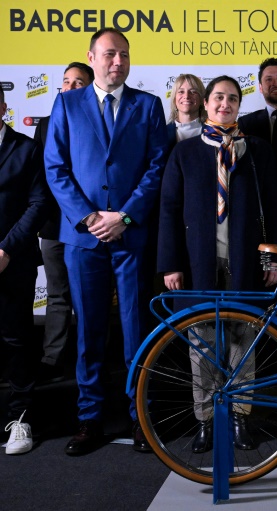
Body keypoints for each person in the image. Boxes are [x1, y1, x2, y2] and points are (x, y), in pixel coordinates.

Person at [45, 28, 167, 455]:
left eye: (125, 55)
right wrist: (90, 217)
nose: (118, 62)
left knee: (137, 331)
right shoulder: (66, 103)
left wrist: (125, 215)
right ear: (91, 57)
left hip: (131, 236)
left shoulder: (148, 106)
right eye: (110, 54)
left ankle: (141, 419)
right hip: (83, 239)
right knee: (90, 333)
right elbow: (55, 167)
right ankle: (89, 420)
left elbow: (156, 167)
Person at [158, 75, 277, 453]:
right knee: (202, 345)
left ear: (238, 105)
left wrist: (274, 259)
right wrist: (170, 265)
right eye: (218, 97)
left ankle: (240, 418)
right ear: (206, 103)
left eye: (232, 98)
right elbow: (168, 210)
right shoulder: (184, 153)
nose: (224, 104)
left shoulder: (257, 151)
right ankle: (206, 420)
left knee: (242, 344)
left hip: (245, 261)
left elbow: (276, 209)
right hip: (199, 265)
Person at [34, 62, 94, 383]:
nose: (70, 87)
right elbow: (42, 178)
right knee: (57, 295)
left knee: (88, 296)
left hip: (88, 226)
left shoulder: (102, 122)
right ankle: (52, 359)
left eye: (78, 82)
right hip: (55, 225)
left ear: (90, 87)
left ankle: (90, 359)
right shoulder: (44, 124)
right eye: (66, 82)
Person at [0, 88, 48, 455]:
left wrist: (6, 249)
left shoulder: (26, 148)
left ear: (4, 108)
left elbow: (37, 203)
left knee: (16, 340)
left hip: (12, 261)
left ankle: (21, 420)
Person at [166, 73, 206, 150]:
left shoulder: (214, 132)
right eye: (181, 92)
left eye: (193, 92)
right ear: (174, 99)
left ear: (201, 100)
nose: (187, 96)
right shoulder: (162, 133)